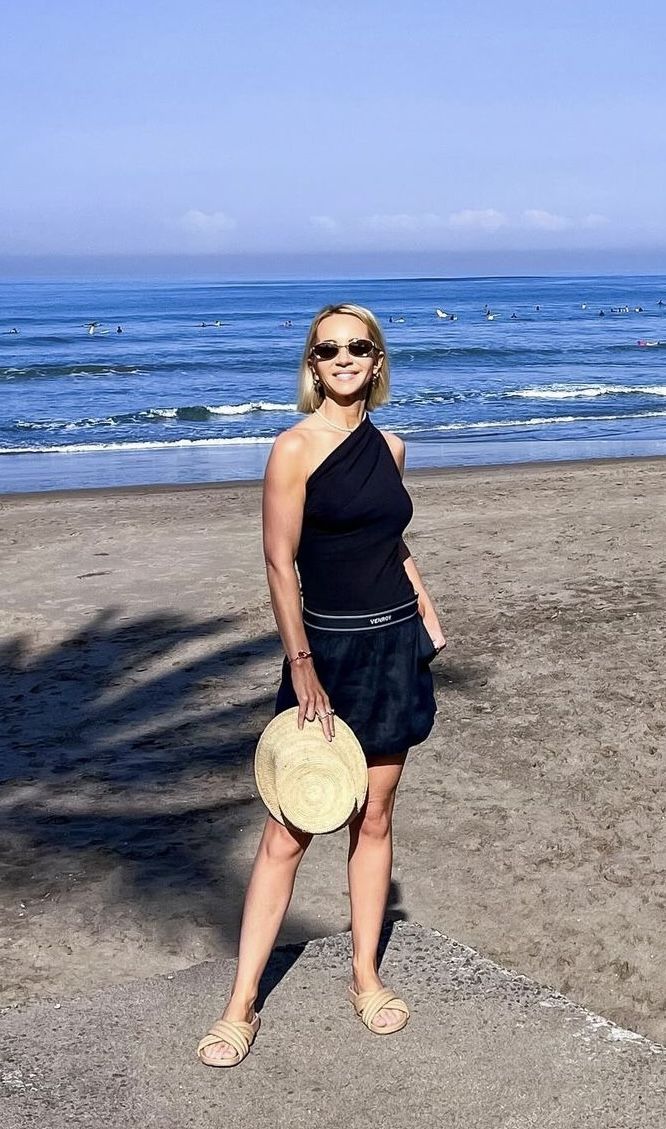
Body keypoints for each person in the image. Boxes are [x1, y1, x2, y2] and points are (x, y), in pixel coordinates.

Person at [196, 303, 446, 1067]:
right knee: (289, 827)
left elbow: (389, 541)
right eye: (328, 348)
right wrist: (301, 662)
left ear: (377, 362)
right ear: (312, 364)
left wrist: (429, 612)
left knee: (375, 817)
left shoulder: (391, 446)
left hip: (394, 645)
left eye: (357, 347)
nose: (343, 358)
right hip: (326, 654)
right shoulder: (294, 447)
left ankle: (365, 976)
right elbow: (279, 562)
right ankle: (241, 1003)